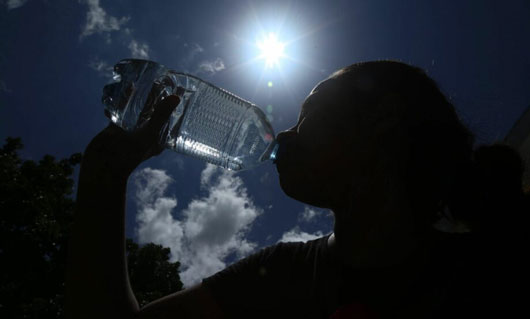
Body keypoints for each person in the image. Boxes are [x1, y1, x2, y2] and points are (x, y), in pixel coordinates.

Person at [65, 61, 528, 319]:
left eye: (308, 114)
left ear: (382, 119)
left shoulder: (493, 271)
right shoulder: (276, 274)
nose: (284, 135)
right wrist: (105, 174)